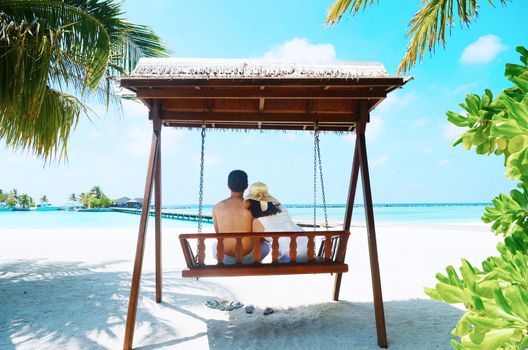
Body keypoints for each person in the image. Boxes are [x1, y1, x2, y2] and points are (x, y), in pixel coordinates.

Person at [212, 170, 270, 264]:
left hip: (225, 258)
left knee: (215, 245)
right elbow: (259, 236)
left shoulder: (217, 207)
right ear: (246, 186)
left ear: (228, 186)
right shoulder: (252, 206)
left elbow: (218, 234)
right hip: (248, 258)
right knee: (267, 245)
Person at [244, 182, 308, 263]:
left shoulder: (257, 221)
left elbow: (256, 243)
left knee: (261, 244)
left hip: (290, 254)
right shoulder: (281, 208)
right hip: (306, 245)